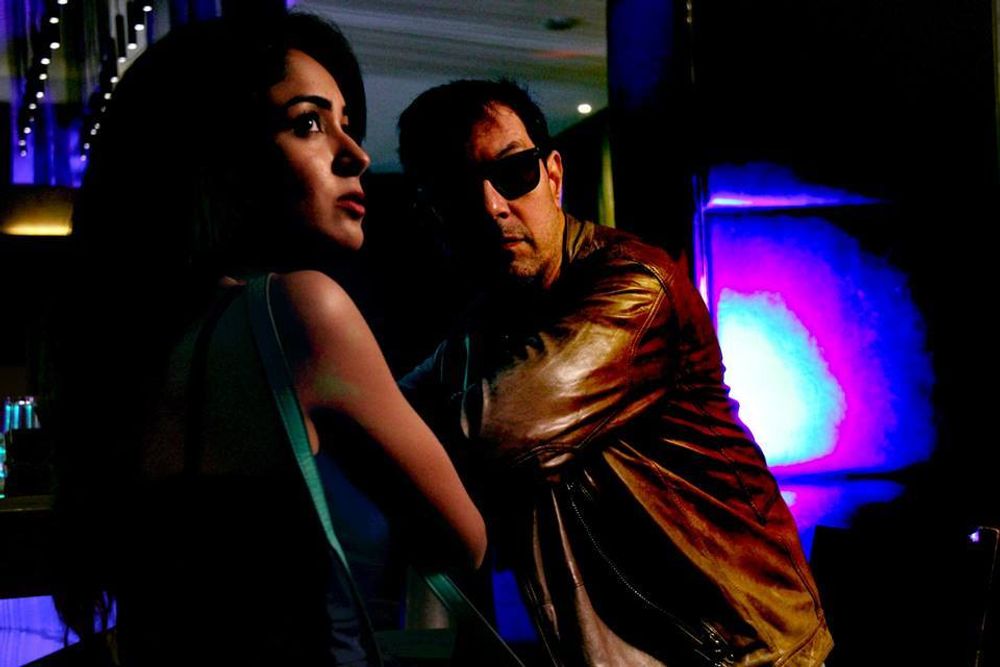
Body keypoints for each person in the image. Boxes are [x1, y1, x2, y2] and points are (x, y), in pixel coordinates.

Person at [52, 14, 485, 666]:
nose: (357, 154)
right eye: (308, 123)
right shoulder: (301, 313)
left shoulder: (115, 355)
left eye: (346, 122)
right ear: (220, 154)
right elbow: (463, 541)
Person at [397, 79, 833, 666]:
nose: (491, 206)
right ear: (433, 212)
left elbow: (489, 434)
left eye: (514, 173)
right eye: (456, 189)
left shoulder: (633, 288)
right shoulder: (486, 323)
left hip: (741, 652)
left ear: (553, 175)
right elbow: (389, 414)